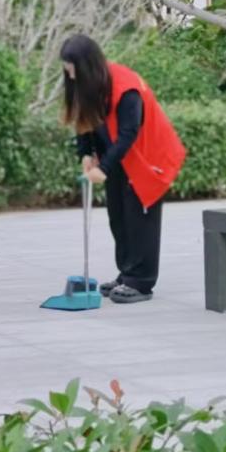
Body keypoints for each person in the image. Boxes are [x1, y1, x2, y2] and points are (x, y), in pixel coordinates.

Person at [60, 34, 186, 305]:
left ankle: (141, 282)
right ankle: (127, 273)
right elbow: (85, 119)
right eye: (68, 71)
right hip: (118, 156)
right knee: (118, 216)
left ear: (88, 66)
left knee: (139, 218)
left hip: (147, 157)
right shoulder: (89, 85)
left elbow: (129, 133)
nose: (71, 78)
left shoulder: (126, 87)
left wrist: (104, 167)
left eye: (73, 71)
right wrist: (86, 153)